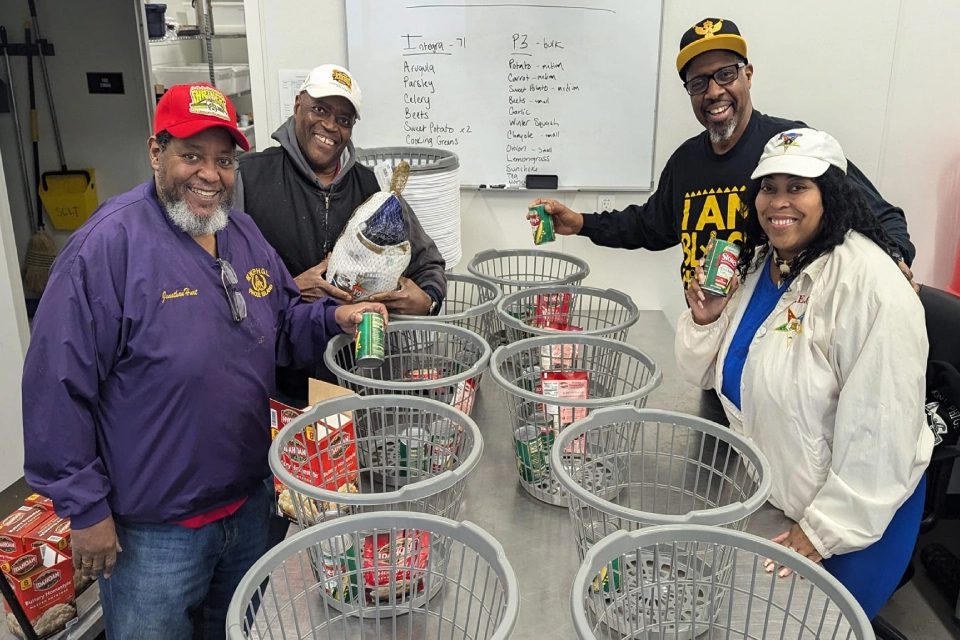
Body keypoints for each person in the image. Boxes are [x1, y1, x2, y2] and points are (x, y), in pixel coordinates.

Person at [20, 84, 386, 639]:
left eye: (223, 160)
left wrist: (335, 320)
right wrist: (85, 510)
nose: (210, 175)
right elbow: (55, 388)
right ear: (155, 152)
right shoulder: (106, 248)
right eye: (191, 155)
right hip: (155, 532)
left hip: (248, 508)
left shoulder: (241, 234)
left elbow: (282, 322)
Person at [674, 128, 933, 619]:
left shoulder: (872, 289)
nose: (778, 202)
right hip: (778, 494)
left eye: (799, 186)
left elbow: (882, 437)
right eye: (769, 187)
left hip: (856, 517)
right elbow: (702, 374)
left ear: (832, 193)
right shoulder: (761, 266)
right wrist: (707, 319)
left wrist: (821, 530)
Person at [529, 17, 914, 288]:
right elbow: (652, 225)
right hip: (707, 338)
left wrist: (894, 264)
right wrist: (580, 222)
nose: (714, 91)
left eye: (725, 74)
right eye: (699, 82)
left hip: (781, 343)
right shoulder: (685, 162)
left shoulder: (792, 146)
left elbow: (881, 217)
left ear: (748, 75)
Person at [235, 63, 447, 406]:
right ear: (297, 105)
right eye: (320, 109)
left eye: (344, 119)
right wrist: (287, 288)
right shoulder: (248, 178)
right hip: (277, 384)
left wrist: (425, 300)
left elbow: (429, 264)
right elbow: (218, 281)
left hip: (359, 379)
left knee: (352, 458)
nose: (331, 126)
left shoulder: (374, 190)